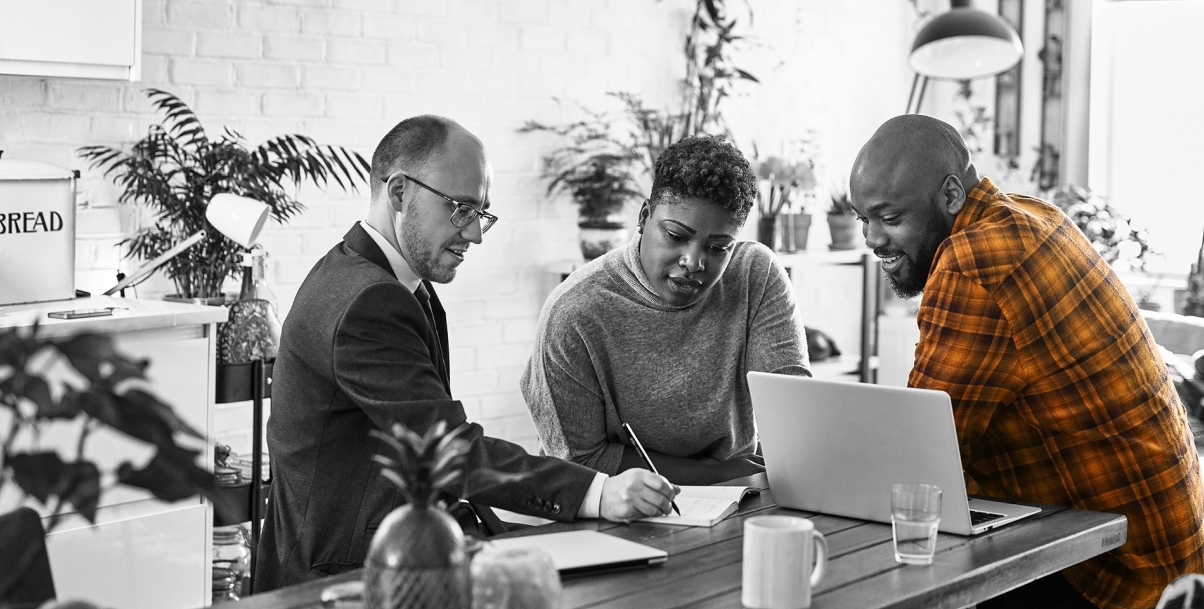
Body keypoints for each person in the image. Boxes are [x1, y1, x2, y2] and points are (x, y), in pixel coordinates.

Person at [256, 116, 676, 591]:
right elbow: (449, 449)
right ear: (398, 194)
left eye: (481, 213)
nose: (475, 234)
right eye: (460, 209)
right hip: (341, 579)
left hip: (395, 552)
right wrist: (598, 491)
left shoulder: (389, 282)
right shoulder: (368, 301)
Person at [848, 115, 1204, 609]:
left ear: (952, 196)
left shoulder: (973, 258)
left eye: (890, 219)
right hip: (1174, 561)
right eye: (861, 218)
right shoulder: (1036, 214)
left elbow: (920, 458)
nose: (872, 238)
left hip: (1115, 576)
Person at [521, 135, 810, 485]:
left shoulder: (754, 275)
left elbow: (791, 412)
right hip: (617, 508)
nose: (693, 262)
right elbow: (580, 460)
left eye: (718, 247)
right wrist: (715, 475)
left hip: (738, 496)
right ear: (644, 217)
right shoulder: (575, 311)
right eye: (675, 236)